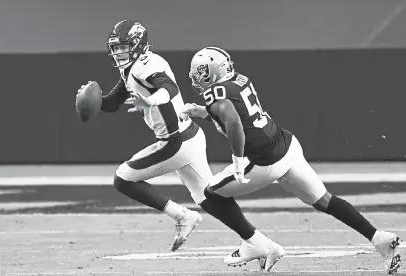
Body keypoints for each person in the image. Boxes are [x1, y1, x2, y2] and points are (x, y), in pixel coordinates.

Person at [77, 21, 282, 269]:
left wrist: (150, 101)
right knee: (210, 198)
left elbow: (169, 90)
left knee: (123, 179)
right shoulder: (131, 69)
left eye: (123, 47)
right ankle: (260, 243)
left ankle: (182, 216)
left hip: (176, 141)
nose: (118, 53)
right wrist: (90, 99)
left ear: (138, 45)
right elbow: (112, 102)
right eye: (115, 49)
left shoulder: (147, 65)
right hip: (190, 136)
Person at [180, 46, 401, 274]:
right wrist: (204, 112)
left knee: (211, 194)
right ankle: (379, 239)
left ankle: (254, 242)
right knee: (325, 200)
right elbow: (237, 114)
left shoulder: (216, 95)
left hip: (264, 161)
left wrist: (237, 160)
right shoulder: (238, 80)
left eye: (201, 72)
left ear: (214, 71)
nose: (197, 77)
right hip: (286, 145)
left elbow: (234, 123)